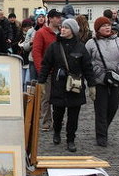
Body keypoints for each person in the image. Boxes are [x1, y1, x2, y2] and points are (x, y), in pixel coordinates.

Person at [38, 18, 95, 152]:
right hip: (59, 85)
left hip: (75, 87)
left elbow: (87, 67)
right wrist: (41, 81)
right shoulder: (54, 46)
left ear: (73, 31)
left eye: (66, 28)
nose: (62, 29)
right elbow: (46, 65)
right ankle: (57, 132)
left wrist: (92, 85)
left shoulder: (80, 47)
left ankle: (71, 139)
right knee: (57, 114)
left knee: (73, 117)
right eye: (62, 27)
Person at [86, 16, 119, 147]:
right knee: (101, 109)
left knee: (113, 107)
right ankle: (101, 136)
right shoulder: (91, 43)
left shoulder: (118, 41)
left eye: (108, 25)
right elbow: (87, 63)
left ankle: (103, 128)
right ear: (98, 29)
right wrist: (95, 75)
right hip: (99, 81)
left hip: (116, 79)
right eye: (104, 26)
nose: (107, 27)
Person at [32, 8, 62, 129]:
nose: (59, 20)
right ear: (50, 18)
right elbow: (36, 52)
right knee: (46, 97)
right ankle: (46, 121)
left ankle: (58, 120)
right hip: (47, 71)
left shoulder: (62, 32)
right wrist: (41, 70)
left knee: (59, 97)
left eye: (60, 17)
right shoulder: (41, 33)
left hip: (59, 72)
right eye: (57, 17)